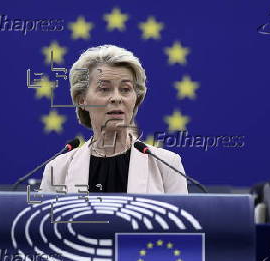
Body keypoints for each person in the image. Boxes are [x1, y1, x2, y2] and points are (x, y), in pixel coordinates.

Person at [40, 45, 188, 194]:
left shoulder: (167, 165)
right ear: (82, 100)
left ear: (136, 99)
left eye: (125, 89)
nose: (117, 98)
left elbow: (179, 217)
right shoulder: (57, 170)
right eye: (104, 89)